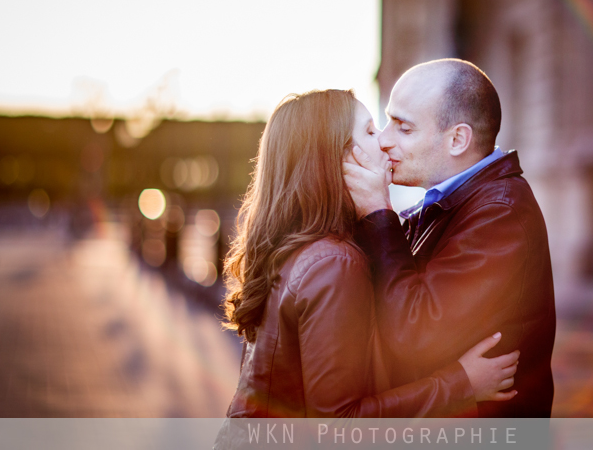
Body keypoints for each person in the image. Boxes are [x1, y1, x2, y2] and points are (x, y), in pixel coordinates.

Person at [219, 89, 519, 419]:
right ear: (339, 158)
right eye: (371, 131)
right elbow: (339, 421)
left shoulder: (301, 247)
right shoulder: (333, 263)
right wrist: (461, 385)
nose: (385, 141)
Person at [344, 59, 556, 417]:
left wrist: (379, 214)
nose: (383, 140)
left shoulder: (500, 212)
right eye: (387, 121)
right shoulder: (454, 202)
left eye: (403, 128)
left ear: (457, 139)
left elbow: (415, 335)